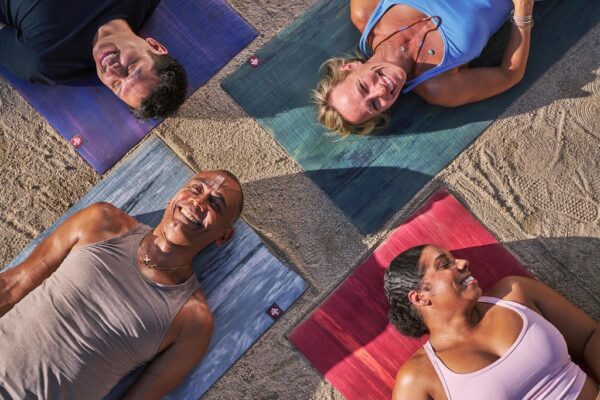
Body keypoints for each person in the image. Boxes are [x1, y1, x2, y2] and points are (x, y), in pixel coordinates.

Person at [0, 170, 244, 399]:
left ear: (223, 235)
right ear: (174, 197)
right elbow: (13, 285)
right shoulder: (102, 222)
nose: (198, 202)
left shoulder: (193, 320)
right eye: (195, 189)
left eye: (215, 203)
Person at [384, 244, 600, 400]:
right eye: (444, 265)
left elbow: (591, 336)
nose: (462, 263)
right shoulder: (417, 378)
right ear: (420, 297)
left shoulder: (514, 293)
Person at [314, 0, 535, 135]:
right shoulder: (439, 85)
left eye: (363, 87)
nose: (380, 90)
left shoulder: (367, 12)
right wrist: (523, 11)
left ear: (350, 67)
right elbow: (509, 75)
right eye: (374, 104)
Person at [0, 0, 187, 119]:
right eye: (130, 68)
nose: (112, 70)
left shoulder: (46, 61)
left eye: (116, 85)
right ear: (155, 46)